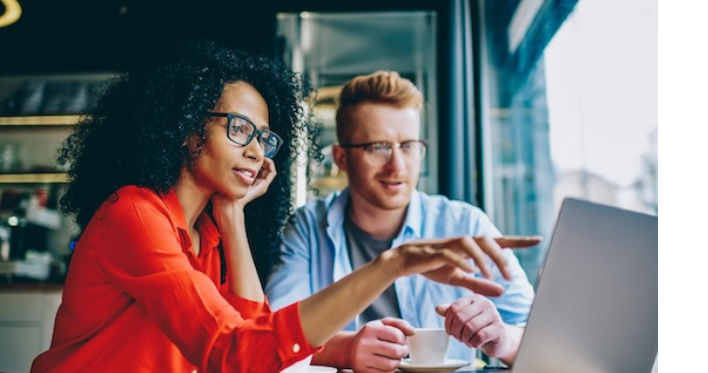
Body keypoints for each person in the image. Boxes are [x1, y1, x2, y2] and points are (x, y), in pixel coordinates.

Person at [30, 38, 538, 373]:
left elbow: (251, 337)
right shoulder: (135, 214)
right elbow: (235, 353)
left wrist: (232, 216)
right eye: (239, 129)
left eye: (265, 138)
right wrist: (394, 265)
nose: (255, 150)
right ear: (185, 129)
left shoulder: (208, 232)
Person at [265, 71, 537, 372]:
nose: (397, 166)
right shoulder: (308, 227)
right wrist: (345, 349)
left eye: (408, 146)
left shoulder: (465, 224)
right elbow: (272, 337)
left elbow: (542, 337)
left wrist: (503, 340)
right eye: (377, 147)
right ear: (341, 158)